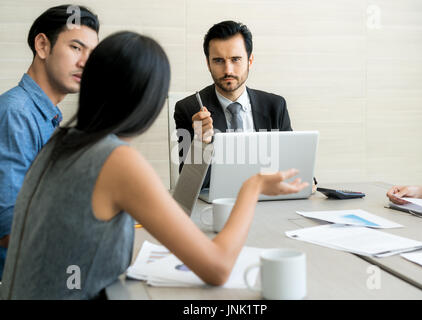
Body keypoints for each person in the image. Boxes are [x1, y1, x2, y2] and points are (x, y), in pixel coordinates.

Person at [0, 31, 308, 300]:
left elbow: (174, 209)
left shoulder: (62, 141)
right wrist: (252, 186)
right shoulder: (116, 159)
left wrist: (202, 145)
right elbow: (219, 267)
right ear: (148, 100)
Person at [0, 5, 99, 279]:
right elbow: (9, 226)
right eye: (76, 48)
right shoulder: (17, 113)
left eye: (92, 54)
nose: (85, 63)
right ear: (43, 46)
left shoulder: (47, 115)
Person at [174, 20, 292, 188]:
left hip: (268, 201)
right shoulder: (189, 109)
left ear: (250, 61)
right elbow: (190, 185)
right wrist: (202, 143)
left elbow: (291, 167)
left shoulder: (276, 106)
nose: (228, 70)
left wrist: (307, 180)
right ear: (208, 64)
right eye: (218, 61)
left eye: (236, 59)